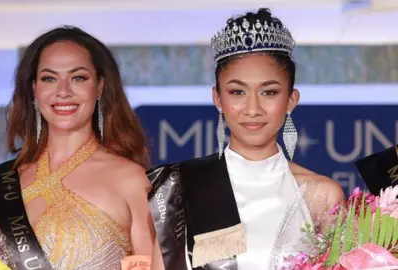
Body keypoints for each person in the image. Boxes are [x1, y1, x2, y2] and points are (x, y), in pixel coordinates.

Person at [147, 8, 345, 270]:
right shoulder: (182, 187)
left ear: (291, 100)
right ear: (217, 98)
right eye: (237, 91)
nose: (253, 109)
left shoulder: (321, 194)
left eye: (269, 92)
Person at [0, 26, 154, 270]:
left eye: (78, 78)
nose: (63, 91)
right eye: (49, 78)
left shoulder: (132, 181)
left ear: (100, 86)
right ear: (34, 88)